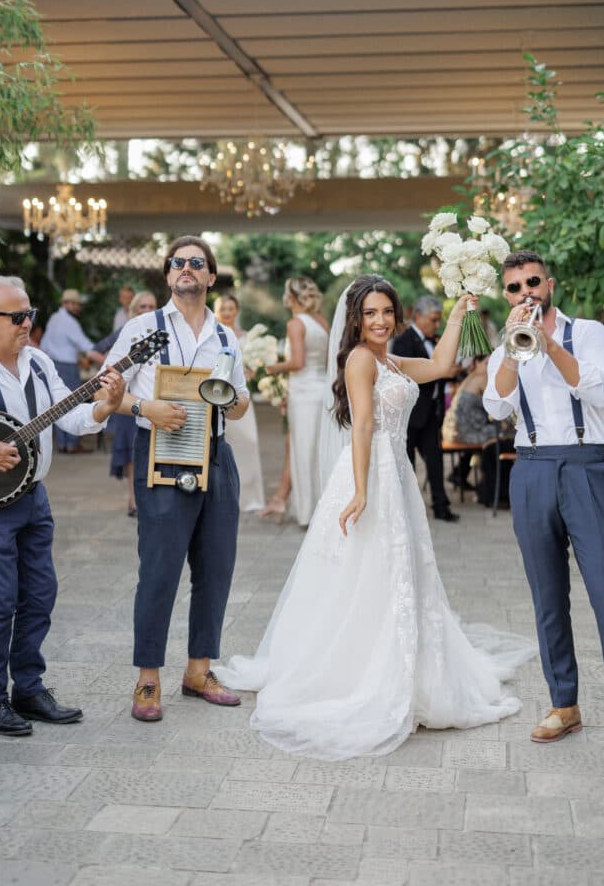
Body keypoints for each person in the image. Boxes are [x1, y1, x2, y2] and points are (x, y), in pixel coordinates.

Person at [215, 275, 535, 760]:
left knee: (402, 573)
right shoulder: (361, 359)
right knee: (367, 572)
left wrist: (456, 315)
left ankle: (409, 667)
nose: (380, 321)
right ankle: (364, 671)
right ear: (356, 320)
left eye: (387, 311)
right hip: (370, 472)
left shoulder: (390, 358)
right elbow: (362, 424)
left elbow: (444, 365)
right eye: (371, 314)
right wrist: (362, 490)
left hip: (398, 474)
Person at [0, 276, 124, 736]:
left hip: (34, 496)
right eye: (17, 317)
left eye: (29, 315)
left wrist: (103, 407)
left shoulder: (36, 362)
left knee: (40, 595)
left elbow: (69, 416)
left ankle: (28, 690)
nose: (26, 324)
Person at [483, 250, 604, 757]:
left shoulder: (589, 332)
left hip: (585, 467)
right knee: (547, 597)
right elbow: (496, 404)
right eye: (514, 287)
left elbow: (597, 394)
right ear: (505, 294)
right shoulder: (504, 343)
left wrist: (548, 343)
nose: (525, 292)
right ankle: (564, 705)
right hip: (530, 470)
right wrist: (513, 348)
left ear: (549, 283)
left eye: (532, 282)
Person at [104, 235, 250, 722]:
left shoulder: (227, 336)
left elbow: (244, 401)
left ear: (211, 276)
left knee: (216, 568)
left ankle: (198, 670)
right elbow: (103, 395)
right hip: (161, 455)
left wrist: (230, 401)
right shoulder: (143, 327)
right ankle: (148, 679)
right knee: (160, 570)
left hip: (216, 453)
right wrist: (147, 406)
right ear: (168, 275)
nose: (186, 268)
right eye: (177, 263)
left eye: (196, 263)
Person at [260, 276, 329, 526]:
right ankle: (322, 508)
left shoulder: (296, 323)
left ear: (290, 297)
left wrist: (270, 367)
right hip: (320, 390)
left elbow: (298, 362)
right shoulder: (321, 321)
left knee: (303, 450)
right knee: (317, 450)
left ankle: (307, 513)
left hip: (303, 393)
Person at [391, 294, 459, 522]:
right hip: (410, 413)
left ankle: (441, 505)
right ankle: (406, 509)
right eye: (433, 319)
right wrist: (440, 373)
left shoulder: (435, 340)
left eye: (439, 320)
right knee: (406, 462)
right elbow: (405, 377)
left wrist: (451, 373)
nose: (437, 324)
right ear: (418, 316)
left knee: (435, 460)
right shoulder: (403, 341)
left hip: (431, 412)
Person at [95, 291, 159, 517]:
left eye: (152, 306)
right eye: (142, 306)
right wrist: (114, 375)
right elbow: (96, 351)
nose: (148, 310)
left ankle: (148, 498)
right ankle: (133, 501)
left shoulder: (162, 332)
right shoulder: (127, 331)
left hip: (152, 403)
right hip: (126, 403)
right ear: (133, 310)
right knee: (132, 454)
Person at [213, 294, 265, 513]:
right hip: (218, 397)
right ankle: (223, 496)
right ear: (216, 311)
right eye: (222, 308)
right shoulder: (213, 335)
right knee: (225, 444)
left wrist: (253, 371)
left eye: (230, 308)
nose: (227, 312)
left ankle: (249, 498)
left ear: (237, 310)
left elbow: (257, 364)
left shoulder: (247, 337)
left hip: (241, 398)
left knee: (249, 442)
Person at [40, 288, 104, 454]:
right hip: (67, 367)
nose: (77, 307)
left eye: (77, 304)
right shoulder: (69, 322)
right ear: (65, 304)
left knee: (58, 405)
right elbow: (86, 346)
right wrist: (106, 361)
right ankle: (72, 444)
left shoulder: (54, 318)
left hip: (54, 364)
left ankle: (63, 444)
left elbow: (45, 345)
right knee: (73, 403)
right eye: (73, 304)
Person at [442, 355, 498, 492]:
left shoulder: (470, 377)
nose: (490, 366)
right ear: (477, 363)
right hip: (465, 433)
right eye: (487, 363)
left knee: (494, 431)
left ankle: (459, 473)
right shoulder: (482, 378)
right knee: (503, 435)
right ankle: (489, 487)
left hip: (451, 431)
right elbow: (495, 407)